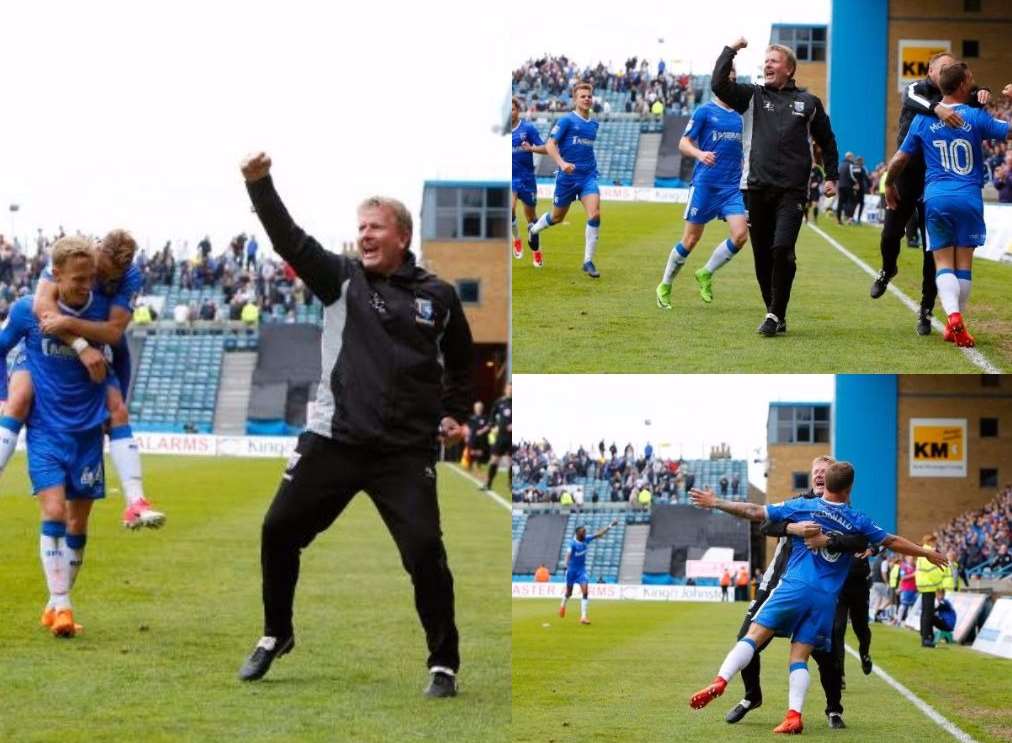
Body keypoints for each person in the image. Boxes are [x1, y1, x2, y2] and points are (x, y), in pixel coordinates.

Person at [236, 152, 474, 698]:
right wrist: (260, 184)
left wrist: (455, 413)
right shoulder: (340, 280)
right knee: (277, 531)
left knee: (424, 554)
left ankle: (443, 663)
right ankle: (277, 633)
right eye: (360, 227)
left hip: (405, 453)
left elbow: (461, 362)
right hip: (334, 440)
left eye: (375, 227)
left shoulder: (437, 296)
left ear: (401, 237)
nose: (364, 235)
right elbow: (289, 241)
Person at [687, 462, 946, 735]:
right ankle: (793, 716)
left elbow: (753, 511)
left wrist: (715, 502)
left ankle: (721, 680)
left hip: (795, 587)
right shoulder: (859, 520)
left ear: (825, 484)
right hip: (826, 600)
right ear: (848, 489)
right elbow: (891, 541)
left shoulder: (802, 507)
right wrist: (926, 552)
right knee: (799, 657)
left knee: (752, 637)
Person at [0, 230, 165, 530]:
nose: (97, 280)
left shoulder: (125, 281)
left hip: (90, 343)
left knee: (117, 408)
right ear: (94, 254)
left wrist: (115, 405)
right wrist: (80, 344)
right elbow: (41, 310)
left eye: (106, 276)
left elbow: (116, 338)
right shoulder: (73, 258)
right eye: (94, 272)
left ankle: (136, 502)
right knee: (19, 396)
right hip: (44, 349)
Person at [0, 238, 115, 637]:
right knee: (52, 513)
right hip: (46, 430)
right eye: (78, 279)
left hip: (87, 432)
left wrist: (115, 410)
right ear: (57, 275)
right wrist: (4, 394)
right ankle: (64, 607)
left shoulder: (100, 311)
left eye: (91, 278)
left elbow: (121, 356)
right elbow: (1, 348)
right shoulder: (26, 312)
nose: (86, 286)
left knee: (78, 522)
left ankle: (55, 601)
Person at [723, 456, 869, 729]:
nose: (819, 476)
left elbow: (860, 539)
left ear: (833, 479)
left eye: (825, 472)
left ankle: (834, 709)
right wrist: (794, 528)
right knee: (746, 639)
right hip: (776, 584)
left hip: (818, 592)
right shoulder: (797, 505)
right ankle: (751, 697)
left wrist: (830, 540)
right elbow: (766, 524)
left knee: (829, 654)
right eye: (815, 472)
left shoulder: (845, 512)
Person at [711, 38, 839, 337]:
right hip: (754, 188)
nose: (767, 64)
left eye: (774, 60)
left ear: (789, 69)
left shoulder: (809, 103)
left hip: (792, 191)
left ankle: (774, 314)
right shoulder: (751, 96)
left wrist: (832, 176)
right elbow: (718, 84)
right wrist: (730, 49)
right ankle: (775, 311)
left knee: (783, 249)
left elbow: (828, 141)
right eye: (765, 60)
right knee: (763, 257)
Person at [885, 64, 1012, 347]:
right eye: (971, 78)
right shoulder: (977, 117)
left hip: (937, 198)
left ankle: (953, 318)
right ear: (963, 85)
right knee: (963, 264)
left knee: (943, 263)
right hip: (969, 198)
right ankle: (957, 323)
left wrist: (888, 184)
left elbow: (898, 160)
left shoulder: (921, 120)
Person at [655, 76, 748, 309]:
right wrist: (700, 154)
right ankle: (665, 285)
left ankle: (706, 272)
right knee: (691, 239)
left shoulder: (738, 117)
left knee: (740, 236)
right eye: (727, 80)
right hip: (705, 185)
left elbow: (738, 151)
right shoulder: (704, 111)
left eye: (734, 80)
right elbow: (683, 143)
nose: (731, 84)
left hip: (731, 188)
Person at [528, 82, 603, 278]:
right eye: (582, 96)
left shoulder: (594, 125)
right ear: (575, 99)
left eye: (589, 96)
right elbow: (551, 145)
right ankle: (533, 230)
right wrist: (562, 164)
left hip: (588, 176)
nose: (586, 99)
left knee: (594, 214)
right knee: (557, 217)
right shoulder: (567, 121)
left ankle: (588, 261)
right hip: (567, 178)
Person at [559, 519, 619, 624]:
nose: (585, 534)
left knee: (585, 592)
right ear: (578, 534)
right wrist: (565, 565)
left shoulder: (586, 539)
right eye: (583, 532)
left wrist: (610, 525)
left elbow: (598, 534)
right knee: (569, 593)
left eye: (585, 532)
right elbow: (567, 555)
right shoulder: (572, 543)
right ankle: (563, 605)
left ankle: (583, 617)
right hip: (571, 571)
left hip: (581, 571)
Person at [511, 97, 547, 267]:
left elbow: (545, 148)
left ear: (518, 110)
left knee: (531, 218)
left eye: (512, 109)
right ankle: (516, 239)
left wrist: (531, 148)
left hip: (527, 178)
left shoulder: (528, 129)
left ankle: (536, 250)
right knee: (509, 209)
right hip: (510, 179)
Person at [484, 383, 512, 492]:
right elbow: (492, 415)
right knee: (494, 460)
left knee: (512, 462)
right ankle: (488, 484)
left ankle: (511, 484)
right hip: (501, 436)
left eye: (512, 389)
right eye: (509, 389)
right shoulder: (499, 402)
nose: (510, 391)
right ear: (505, 390)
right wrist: (492, 425)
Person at [465, 401, 490, 472]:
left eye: (479, 407)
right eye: (476, 407)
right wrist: (466, 436)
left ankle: (477, 464)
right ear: (474, 408)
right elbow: (467, 427)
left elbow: (488, 426)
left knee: (480, 452)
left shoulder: (485, 418)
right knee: (471, 451)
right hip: (472, 437)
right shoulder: (471, 417)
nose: (478, 408)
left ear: (482, 408)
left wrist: (482, 431)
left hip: (481, 439)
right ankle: (470, 464)